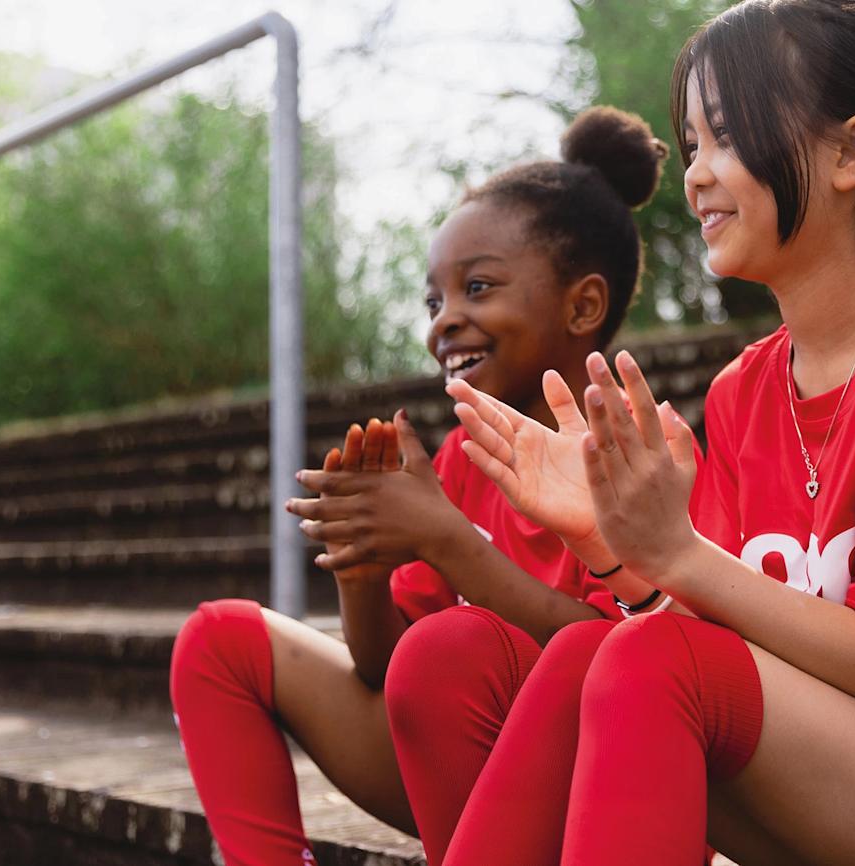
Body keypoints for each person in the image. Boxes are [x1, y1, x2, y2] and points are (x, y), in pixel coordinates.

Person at [422, 2, 855, 864]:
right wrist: (611, 549)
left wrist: (678, 553)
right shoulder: (743, 389)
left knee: (648, 659)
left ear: (852, 152)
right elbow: (724, 634)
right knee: (593, 651)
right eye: (693, 143)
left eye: (727, 138)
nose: (697, 173)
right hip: (824, 776)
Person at [167, 105, 670, 866]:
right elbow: (383, 671)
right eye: (434, 302)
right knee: (219, 640)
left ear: (583, 305)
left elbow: (627, 669)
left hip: (596, 792)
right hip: (460, 768)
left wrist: (446, 540)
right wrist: (364, 574)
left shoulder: (639, 456)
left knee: (451, 648)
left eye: (477, 287)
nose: (446, 322)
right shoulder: (465, 462)